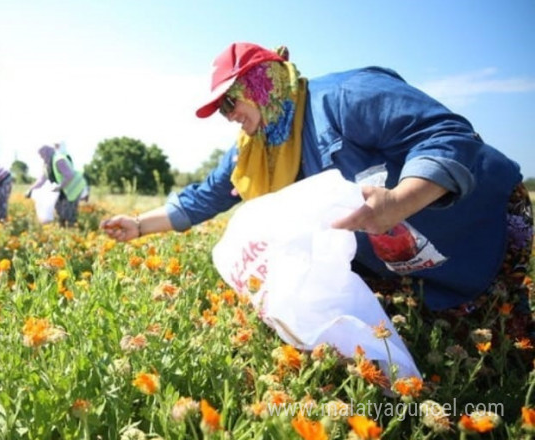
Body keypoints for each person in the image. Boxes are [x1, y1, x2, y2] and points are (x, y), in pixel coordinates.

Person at [101, 42, 532, 340]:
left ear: (261, 84)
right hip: (402, 259)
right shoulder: (253, 153)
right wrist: (138, 225)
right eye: (221, 110)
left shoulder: (345, 96)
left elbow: (447, 135)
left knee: (513, 346)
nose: (228, 116)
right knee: (441, 354)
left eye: (232, 102)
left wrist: (400, 201)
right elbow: (205, 197)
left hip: (478, 220)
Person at [28, 144, 87, 227]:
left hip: (74, 187)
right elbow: (41, 180)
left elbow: (69, 175)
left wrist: (59, 186)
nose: (41, 157)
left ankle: (72, 232)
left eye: (42, 154)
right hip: (64, 188)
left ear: (48, 152)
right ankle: (62, 230)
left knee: (69, 212)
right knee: (59, 210)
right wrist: (31, 189)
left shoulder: (59, 160)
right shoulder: (47, 164)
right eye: (40, 155)